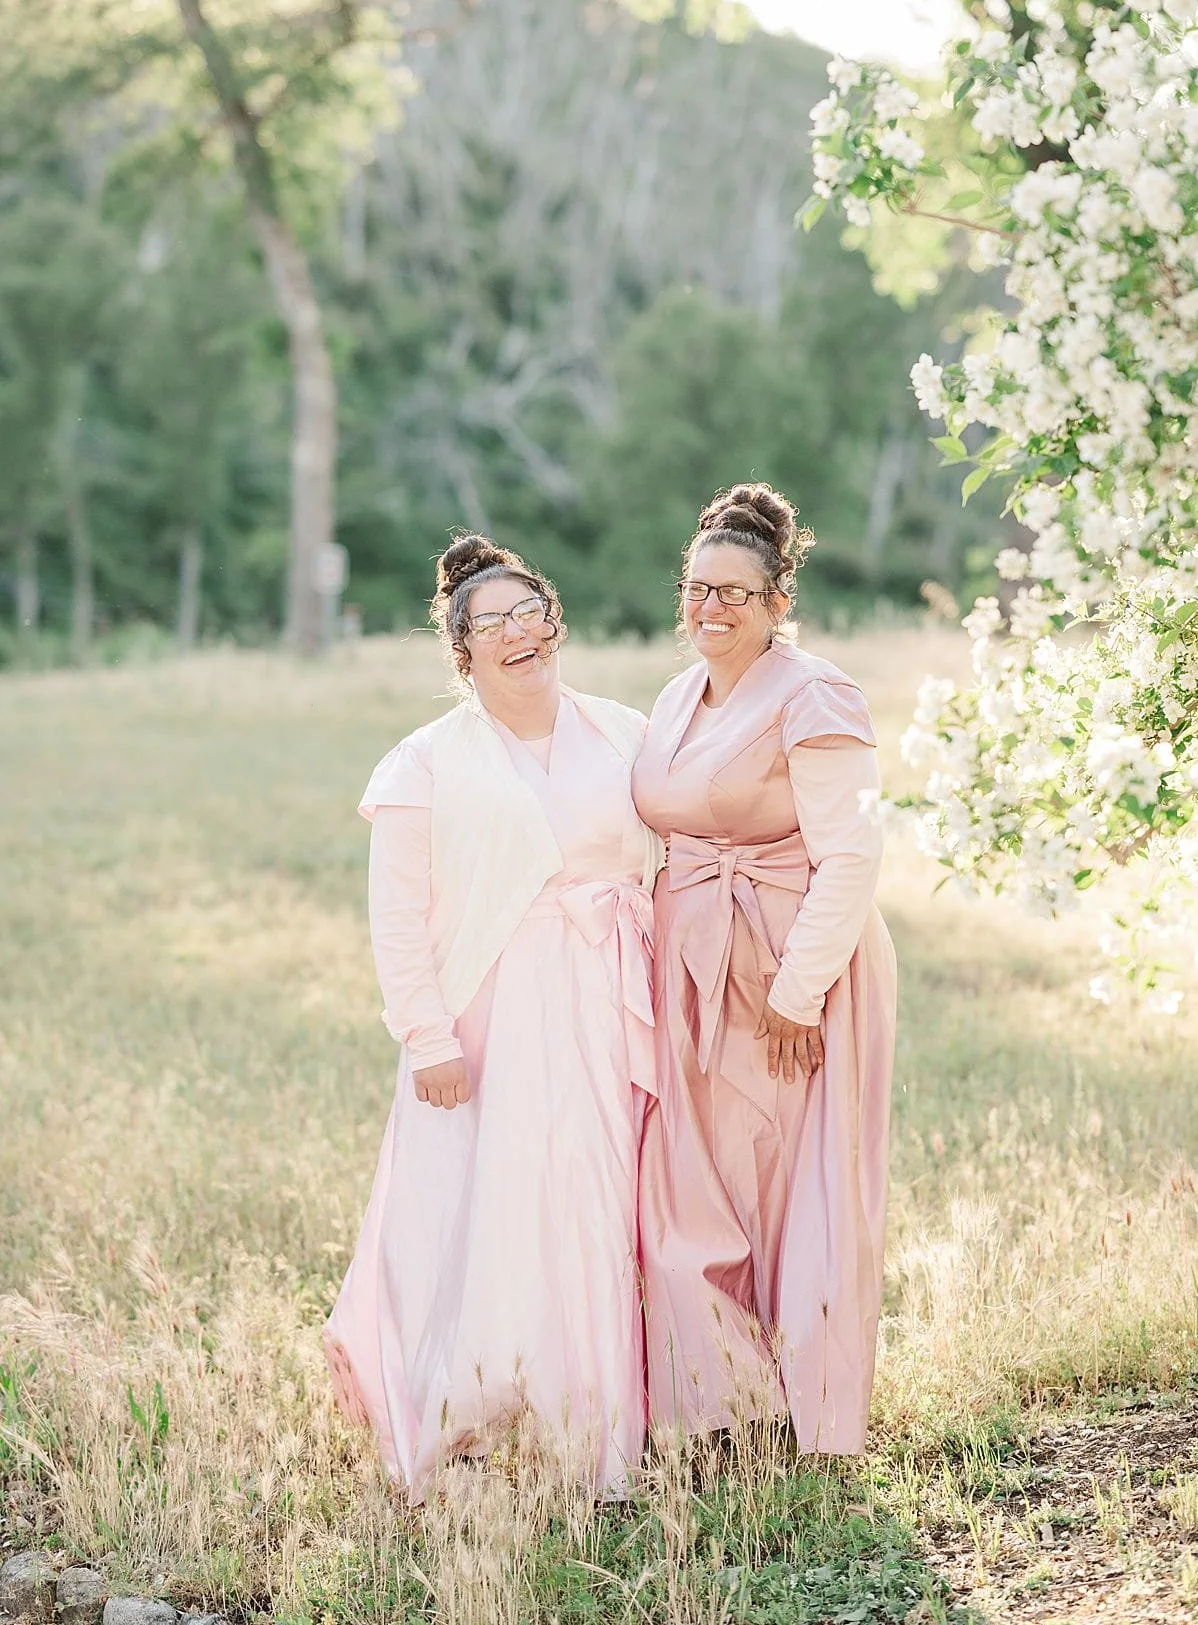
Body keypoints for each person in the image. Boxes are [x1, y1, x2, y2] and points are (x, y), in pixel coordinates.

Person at [324, 535, 659, 1498]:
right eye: (492, 622)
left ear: (556, 619)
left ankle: (593, 1432)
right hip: (486, 1012)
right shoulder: (427, 760)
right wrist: (428, 1038)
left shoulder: (623, 731)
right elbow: (395, 916)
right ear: (461, 651)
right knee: (481, 1210)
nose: (520, 633)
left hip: (606, 998)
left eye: (532, 612)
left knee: (592, 1205)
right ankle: (465, 1408)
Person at [634, 482, 897, 1453]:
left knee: (792, 1185)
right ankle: (720, 1401)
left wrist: (799, 990)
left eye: (734, 593)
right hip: (692, 964)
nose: (709, 609)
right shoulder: (675, 695)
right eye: (696, 588)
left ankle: (802, 1408)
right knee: (694, 1184)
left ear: (779, 600)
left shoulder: (815, 693)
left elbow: (854, 854)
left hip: (790, 968)